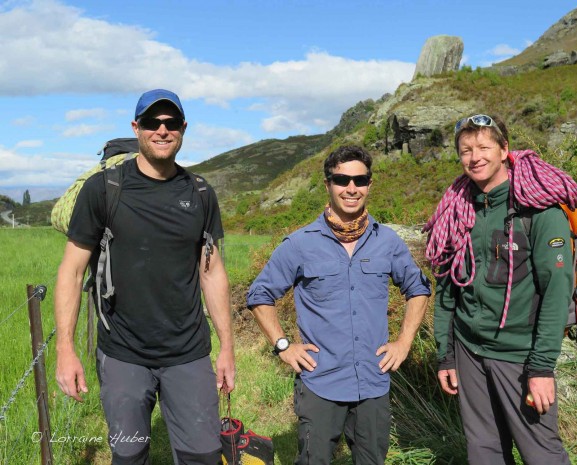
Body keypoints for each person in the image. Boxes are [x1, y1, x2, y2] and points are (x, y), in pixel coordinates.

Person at [54, 89, 235, 465]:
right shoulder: (104, 189)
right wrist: (65, 351)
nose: (162, 130)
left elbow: (212, 272)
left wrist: (228, 348)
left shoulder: (200, 193)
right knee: (130, 453)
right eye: (153, 122)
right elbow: (71, 272)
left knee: (203, 455)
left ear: (183, 128)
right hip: (123, 353)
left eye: (171, 123)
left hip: (187, 352)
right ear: (137, 128)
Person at [247, 145, 431, 465]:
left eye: (360, 180)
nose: (351, 188)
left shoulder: (387, 241)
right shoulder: (300, 243)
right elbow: (260, 295)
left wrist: (404, 343)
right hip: (320, 382)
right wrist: (283, 346)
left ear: (369, 185)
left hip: (373, 382)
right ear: (328, 184)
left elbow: (418, 288)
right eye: (342, 179)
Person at [425, 114, 577, 465]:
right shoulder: (458, 211)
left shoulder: (539, 211)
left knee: (541, 453)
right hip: (469, 351)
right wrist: (446, 354)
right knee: (484, 452)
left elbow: (557, 293)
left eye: (484, 146)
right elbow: (447, 289)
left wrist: (542, 368)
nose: (475, 157)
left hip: (520, 355)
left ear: (504, 150)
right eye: (466, 150)